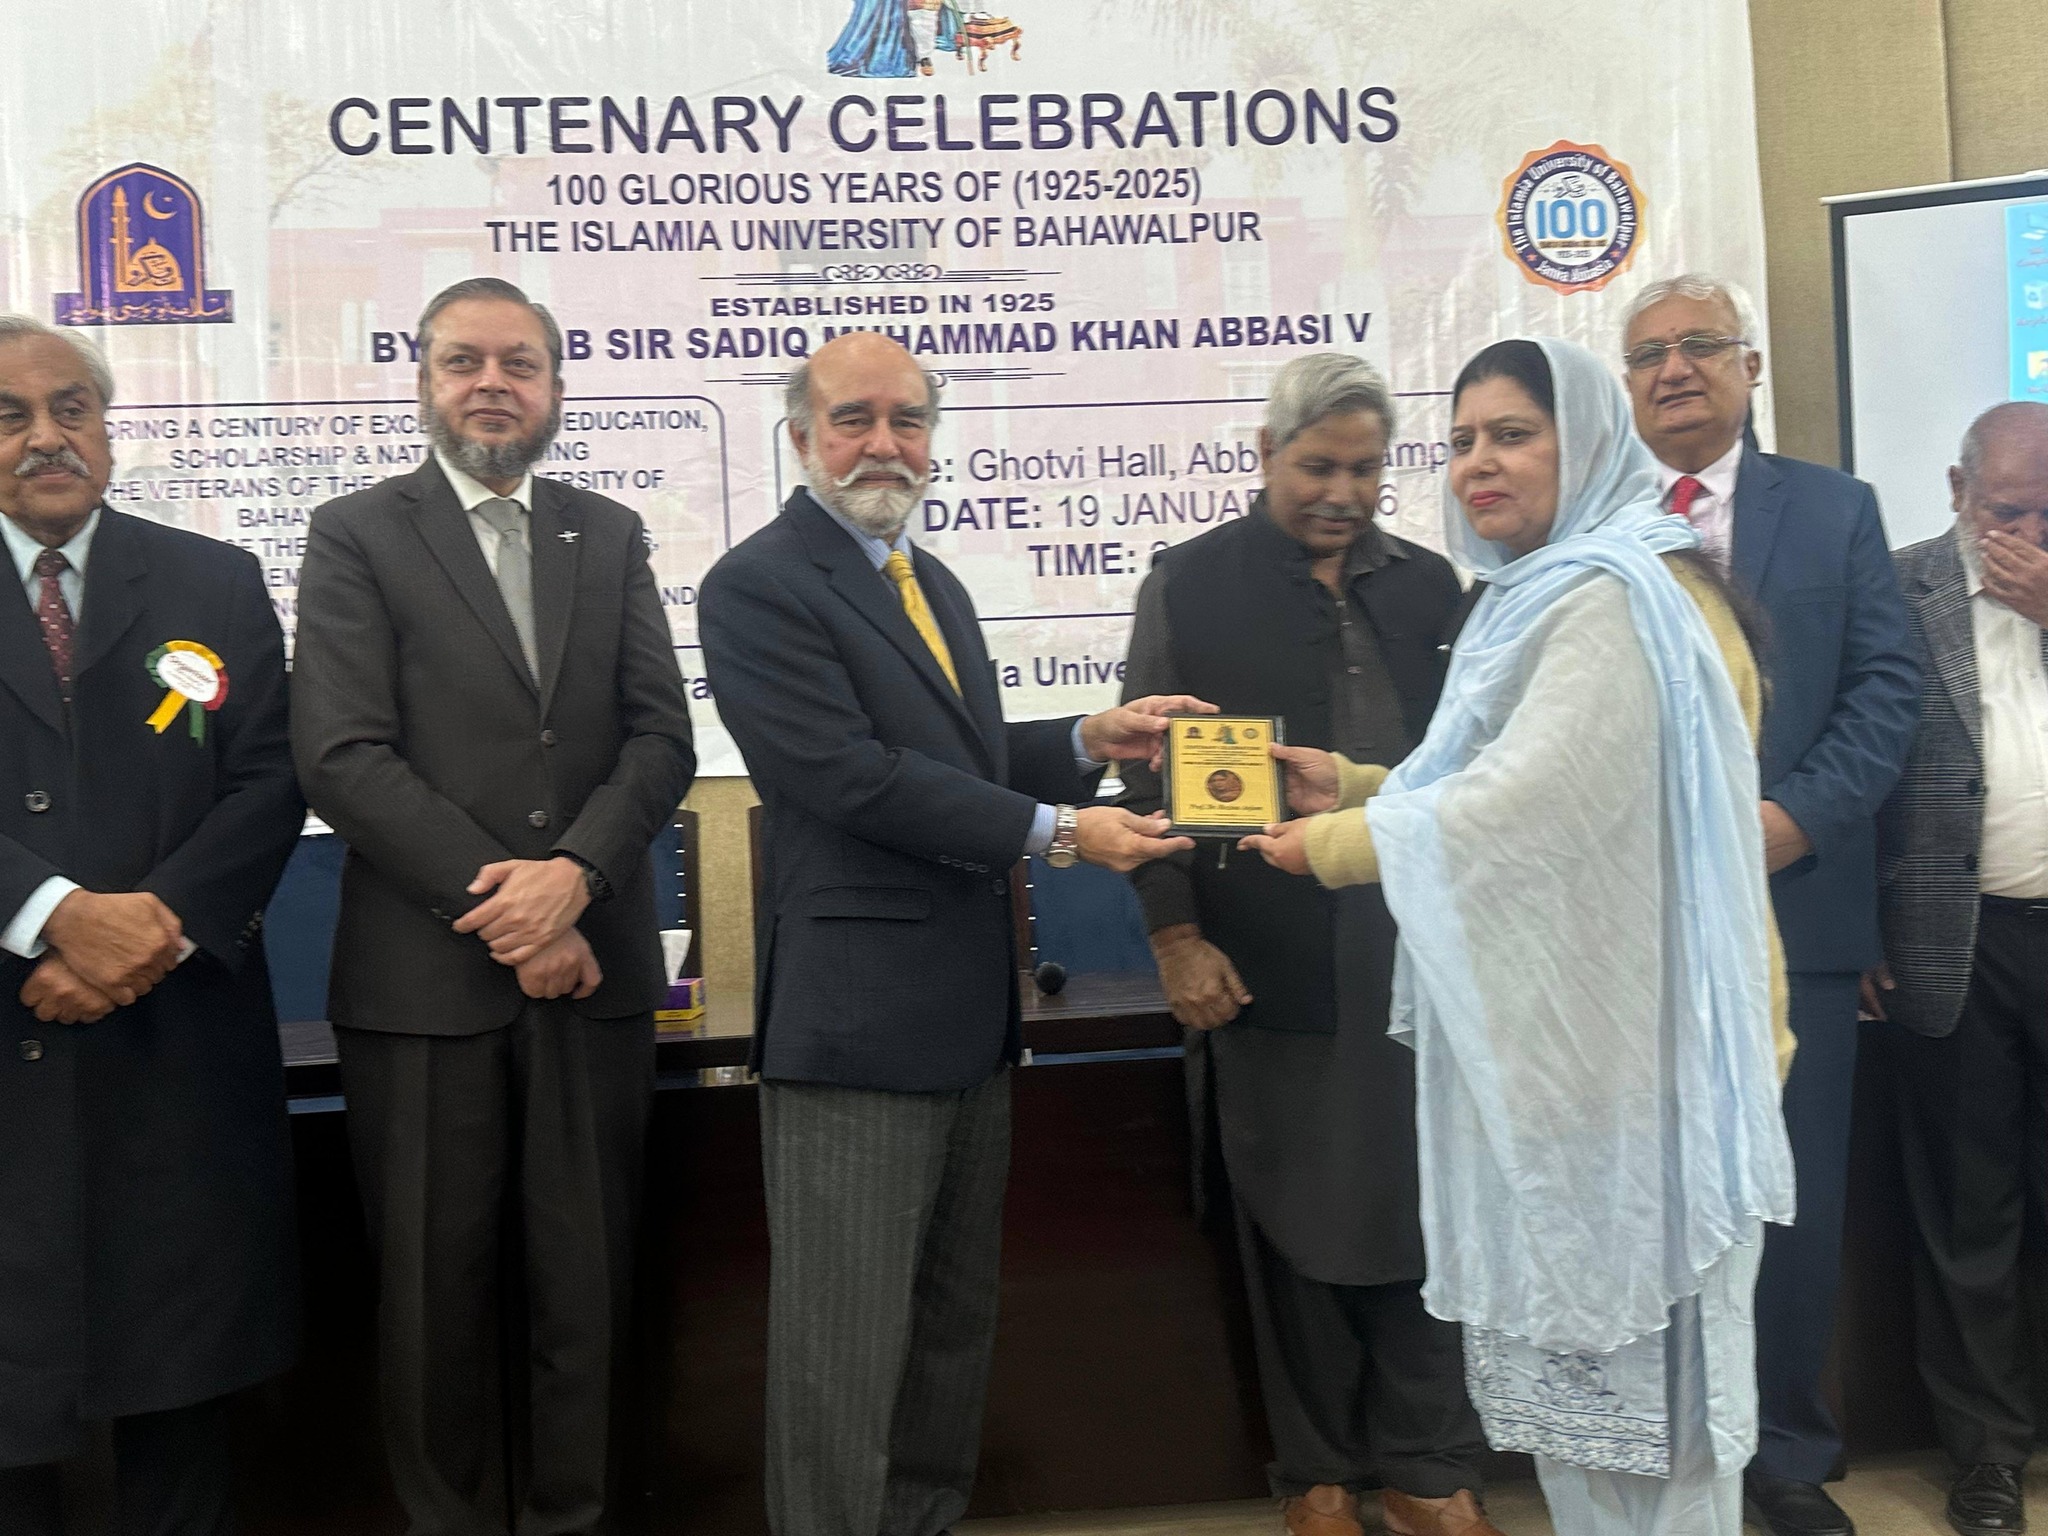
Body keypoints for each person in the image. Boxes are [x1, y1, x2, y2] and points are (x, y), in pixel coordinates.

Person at [1243, 338, 1796, 1536]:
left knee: (1657, 1439)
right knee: (1590, 1431)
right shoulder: (1555, 591)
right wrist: (1355, 787)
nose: (1477, 464)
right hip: (1584, 1061)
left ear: (1583, 442)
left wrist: (1336, 845)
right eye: (1459, 442)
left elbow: (1526, 806)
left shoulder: (1612, 598)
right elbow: (1523, 781)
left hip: (1644, 1068)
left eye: (1511, 434)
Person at [698, 331, 1209, 1536]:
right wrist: (1064, 833)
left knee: (945, 1337)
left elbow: (959, 763)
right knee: (842, 1360)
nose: (884, 444)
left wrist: (1084, 739)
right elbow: (850, 777)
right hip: (855, 1031)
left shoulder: (931, 584)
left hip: (969, 1022)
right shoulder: (756, 585)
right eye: (854, 419)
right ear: (800, 437)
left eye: (909, 420)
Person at [291, 277, 696, 1535]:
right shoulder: (355, 534)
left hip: (592, 977)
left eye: (518, 363)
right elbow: (342, 756)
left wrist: (574, 878)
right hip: (422, 988)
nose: (491, 384)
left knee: (588, 1292)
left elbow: (660, 738)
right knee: (431, 1303)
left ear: (555, 388)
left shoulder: (608, 533)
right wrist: (517, 912)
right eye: (462, 361)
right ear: (423, 382)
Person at [1114, 353, 1491, 1536]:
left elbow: (1478, 769)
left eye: (1365, 470)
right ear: (1265, 454)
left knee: (1428, 1212)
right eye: (1318, 466)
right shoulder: (1190, 584)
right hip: (1264, 958)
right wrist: (1176, 938)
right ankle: (1316, 1475)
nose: (1342, 492)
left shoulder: (1433, 589)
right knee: (1294, 1219)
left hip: (1426, 964)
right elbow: (1145, 785)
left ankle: (1428, 1472)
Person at [1621, 275, 1919, 1536]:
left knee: (1787, 1201)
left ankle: (1783, 1455)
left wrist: (1790, 821)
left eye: (1699, 345)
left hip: (1794, 911)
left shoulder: (1835, 508)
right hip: (1633, 929)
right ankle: (1664, 1444)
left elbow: (1885, 693)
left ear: (1748, 367)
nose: (1673, 369)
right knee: (1651, 1197)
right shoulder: (1598, 523)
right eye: (1647, 354)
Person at [0, 314, 303, 1533]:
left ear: (108, 429)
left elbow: (272, 780)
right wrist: (51, 913)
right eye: (11, 417)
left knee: (181, 1407)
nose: (46, 437)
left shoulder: (210, 580)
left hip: (174, 1057)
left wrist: (151, 936)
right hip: (11, 1046)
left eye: (71, 409)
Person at [1873, 401, 2048, 1536]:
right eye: (2006, 510)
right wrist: (1859, 934)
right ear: (1954, 489)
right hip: (1953, 942)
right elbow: (1852, 767)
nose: (2027, 536)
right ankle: (1984, 1454)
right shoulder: (1896, 591)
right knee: (1970, 1211)